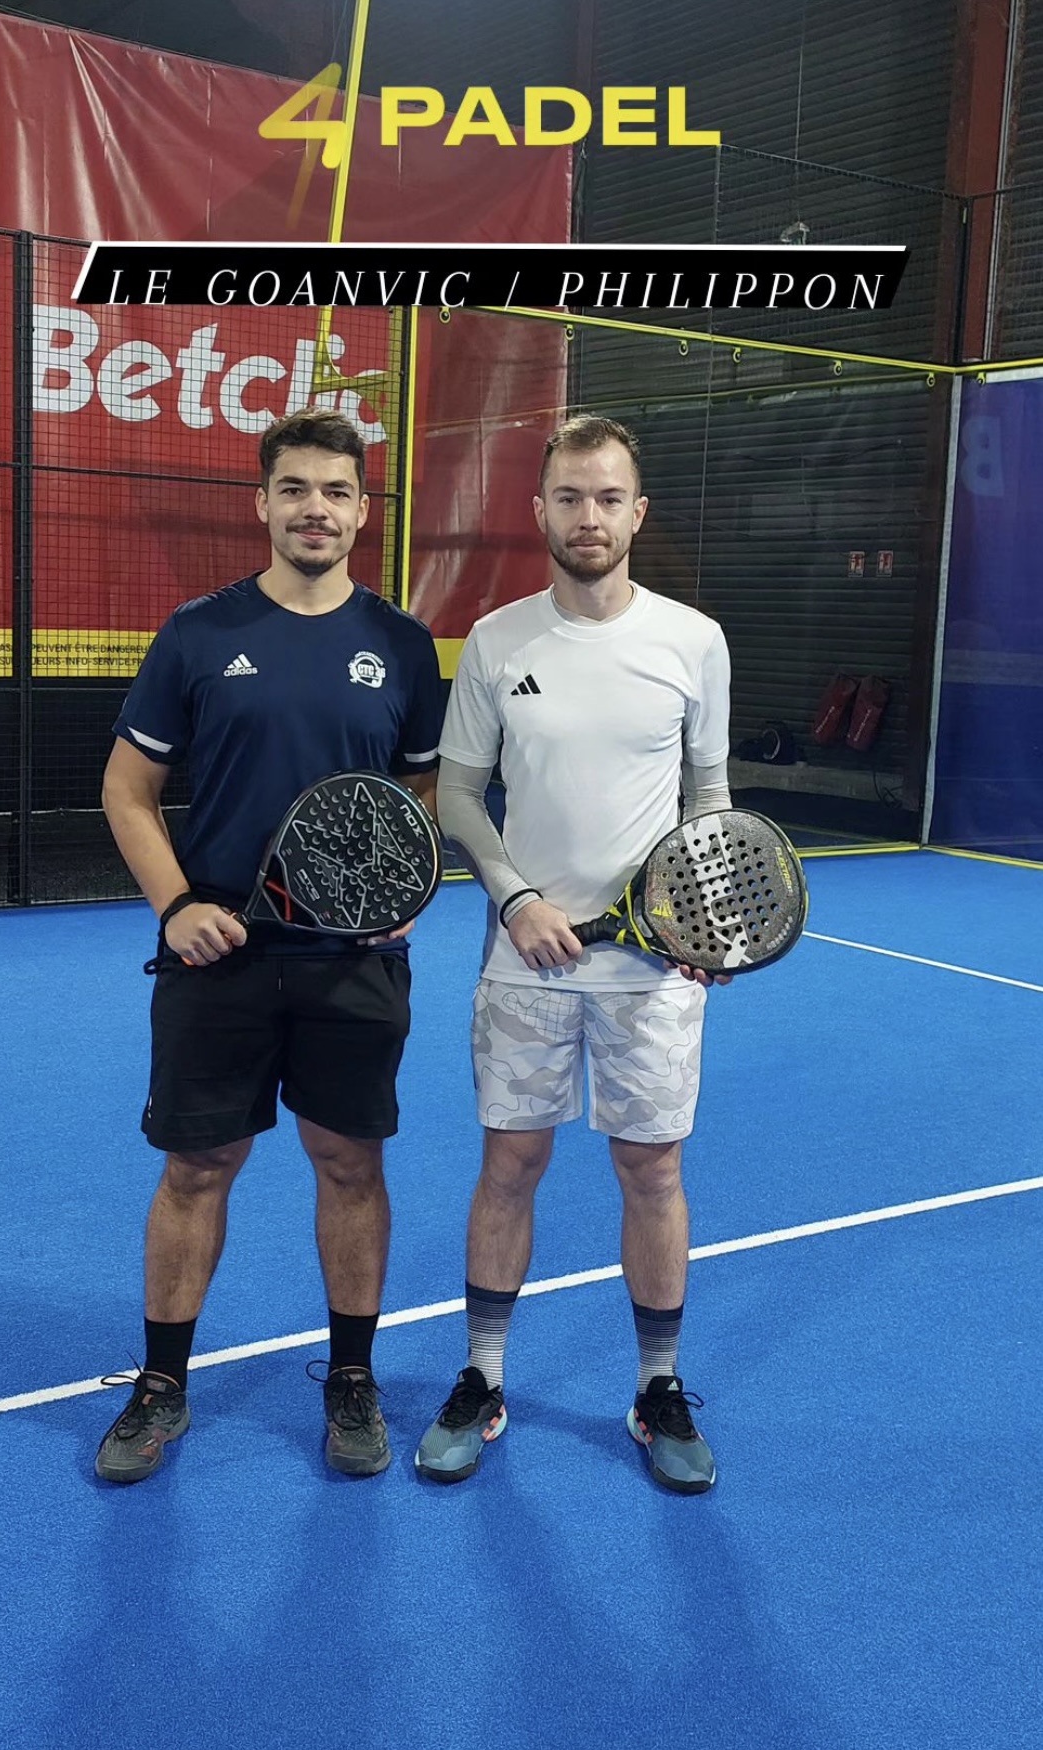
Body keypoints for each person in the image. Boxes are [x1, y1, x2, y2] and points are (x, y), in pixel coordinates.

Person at [96, 407, 444, 1485]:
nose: (315, 509)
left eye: (336, 492)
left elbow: (426, 791)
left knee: (350, 1163)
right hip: (219, 957)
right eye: (295, 488)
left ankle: (352, 1379)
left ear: (363, 512)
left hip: (353, 960)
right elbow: (127, 790)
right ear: (262, 503)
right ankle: (161, 1386)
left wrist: (407, 881)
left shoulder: (402, 645)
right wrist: (173, 907)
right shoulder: (198, 633)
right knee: (196, 1166)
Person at [415, 414, 732, 1494]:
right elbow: (461, 792)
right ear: (538, 510)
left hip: (652, 971)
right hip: (524, 965)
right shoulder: (497, 641)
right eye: (568, 497)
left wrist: (701, 919)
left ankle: (658, 1388)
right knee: (509, 1165)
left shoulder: (694, 641)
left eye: (606, 498)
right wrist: (514, 899)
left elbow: (707, 795)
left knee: (653, 1170)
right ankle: (482, 1376)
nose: (587, 516)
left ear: (637, 513)